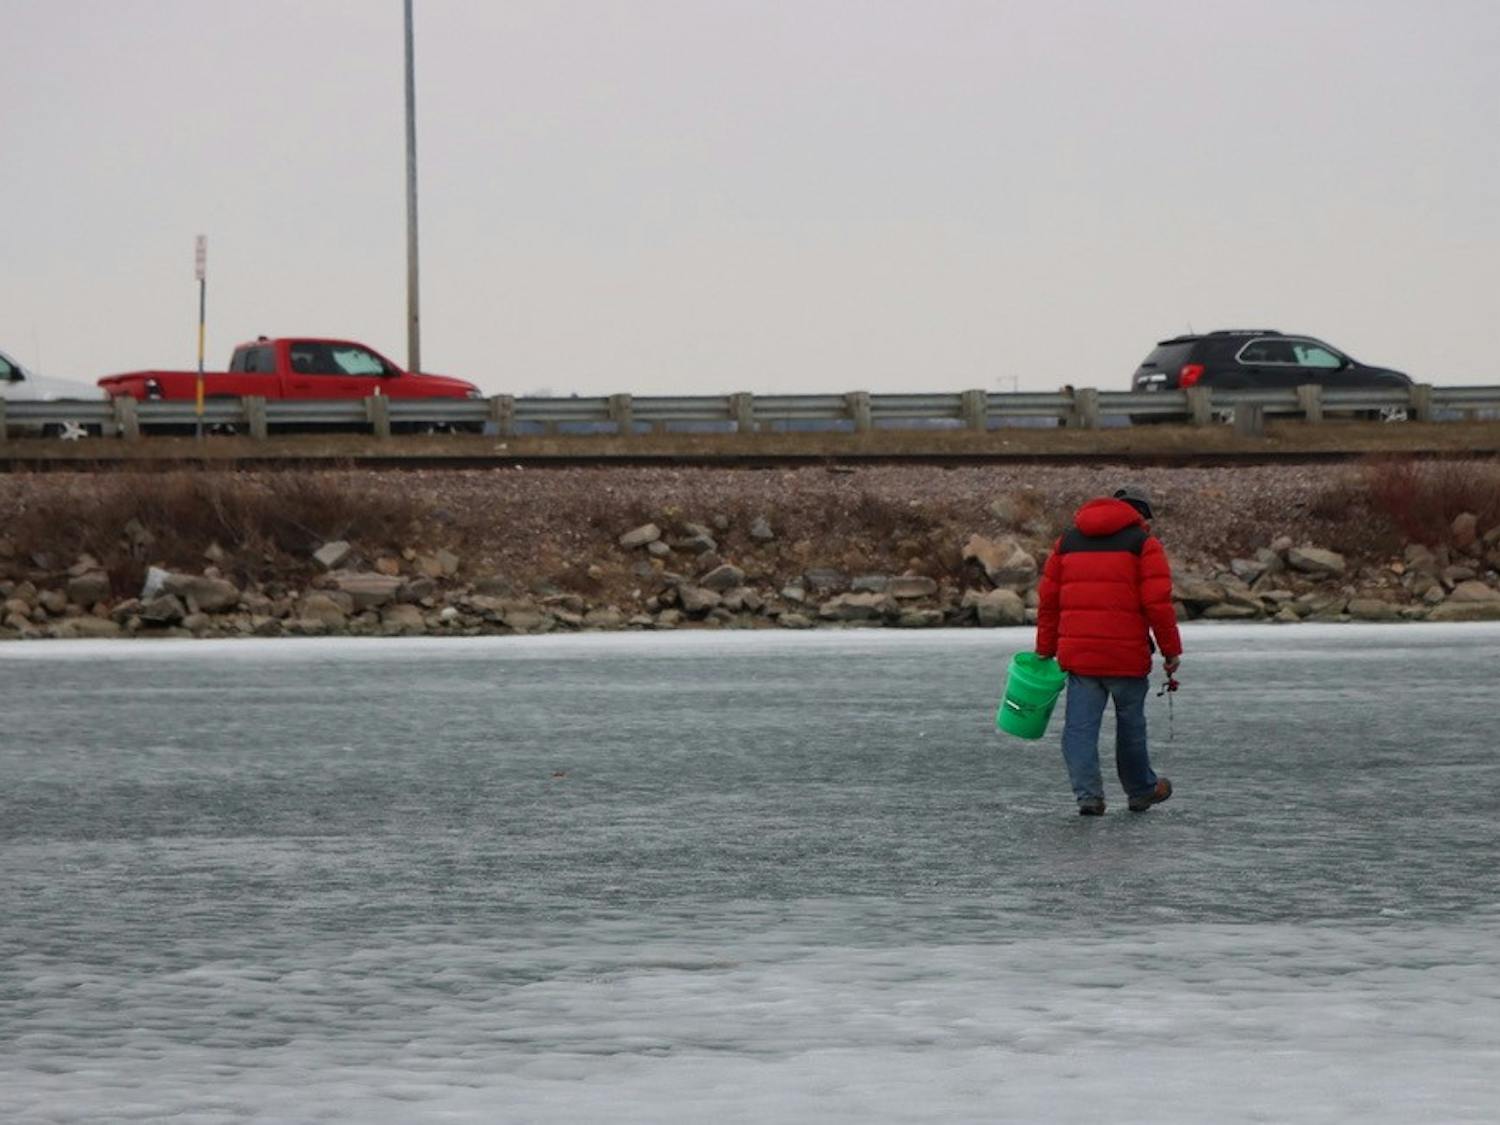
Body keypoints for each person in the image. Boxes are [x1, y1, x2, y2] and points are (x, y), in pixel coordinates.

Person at [1034, 484, 1182, 816]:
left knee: (1079, 728)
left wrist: (1045, 649)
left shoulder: (1067, 543)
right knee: (1131, 725)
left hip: (1081, 657)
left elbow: (1049, 601)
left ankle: (1088, 796)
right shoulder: (1144, 544)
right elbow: (1157, 605)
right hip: (1127, 656)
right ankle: (1141, 790)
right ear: (1140, 515)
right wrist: (1171, 651)